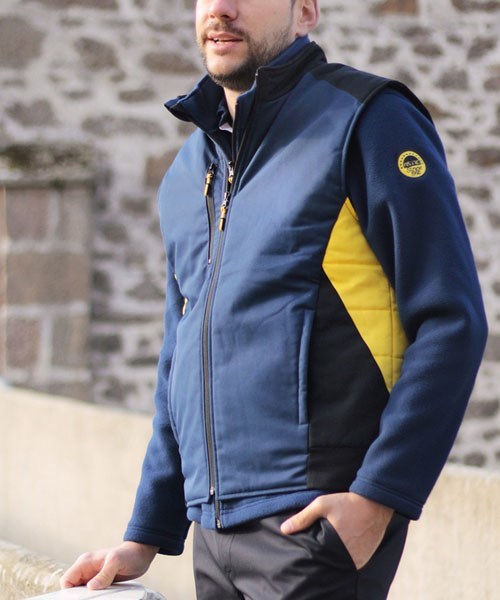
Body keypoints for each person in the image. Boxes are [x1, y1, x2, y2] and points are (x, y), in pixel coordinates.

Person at [60, 0, 488, 598]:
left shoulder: (367, 120)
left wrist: (377, 498)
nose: (221, 9)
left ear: (305, 11)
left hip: (314, 527)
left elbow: (451, 319)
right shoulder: (188, 170)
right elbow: (180, 360)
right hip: (211, 536)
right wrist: (148, 532)